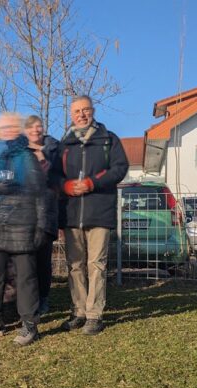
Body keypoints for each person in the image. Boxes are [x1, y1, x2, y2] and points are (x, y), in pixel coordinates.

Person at [0, 112, 46, 346]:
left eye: (13, 126)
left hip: (23, 226)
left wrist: (41, 225)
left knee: (26, 278)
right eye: (3, 127)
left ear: (20, 129)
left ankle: (29, 324)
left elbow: (40, 195)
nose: (8, 130)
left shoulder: (27, 157)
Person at [59, 95, 128, 335]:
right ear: (71, 114)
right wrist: (64, 186)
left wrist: (92, 183)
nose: (81, 115)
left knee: (96, 264)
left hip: (99, 211)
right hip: (71, 213)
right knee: (74, 265)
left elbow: (120, 168)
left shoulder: (109, 139)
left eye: (85, 110)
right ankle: (78, 310)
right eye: (77, 111)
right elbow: (55, 176)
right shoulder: (64, 144)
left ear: (93, 111)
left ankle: (94, 314)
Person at [24, 115, 64, 318]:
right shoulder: (20, 150)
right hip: (23, 214)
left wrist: (43, 161)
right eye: (31, 127)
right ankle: (27, 300)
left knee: (43, 261)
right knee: (25, 262)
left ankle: (43, 298)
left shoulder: (53, 150)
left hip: (46, 212)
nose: (35, 131)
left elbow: (59, 178)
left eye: (38, 127)